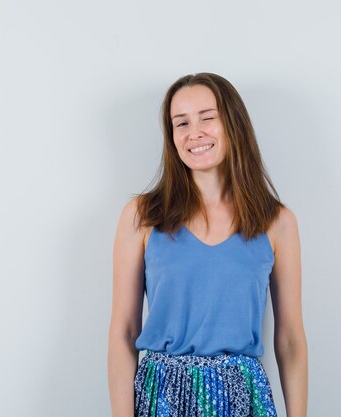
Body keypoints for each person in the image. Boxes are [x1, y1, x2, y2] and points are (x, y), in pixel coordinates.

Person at [108, 72, 308, 417]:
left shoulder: (278, 222)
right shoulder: (142, 216)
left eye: (207, 118)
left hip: (243, 399)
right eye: (180, 123)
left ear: (232, 124)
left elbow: (290, 339)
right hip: (162, 398)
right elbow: (124, 332)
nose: (194, 133)